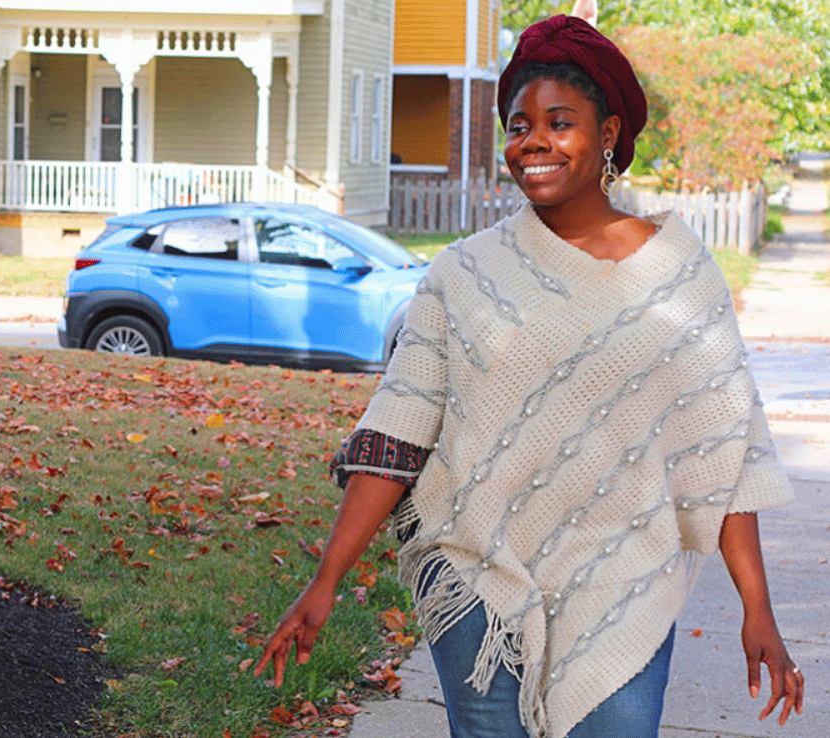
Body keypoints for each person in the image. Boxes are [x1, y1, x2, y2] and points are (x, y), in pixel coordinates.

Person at [254, 15, 806, 738]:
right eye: (519, 125)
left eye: (560, 121)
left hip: (623, 580)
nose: (534, 141)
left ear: (608, 134)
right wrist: (325, 579)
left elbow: (723, 448)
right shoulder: (462, 274)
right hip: (475, 573)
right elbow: (400, 429)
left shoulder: (679, 274)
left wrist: (756, 606)